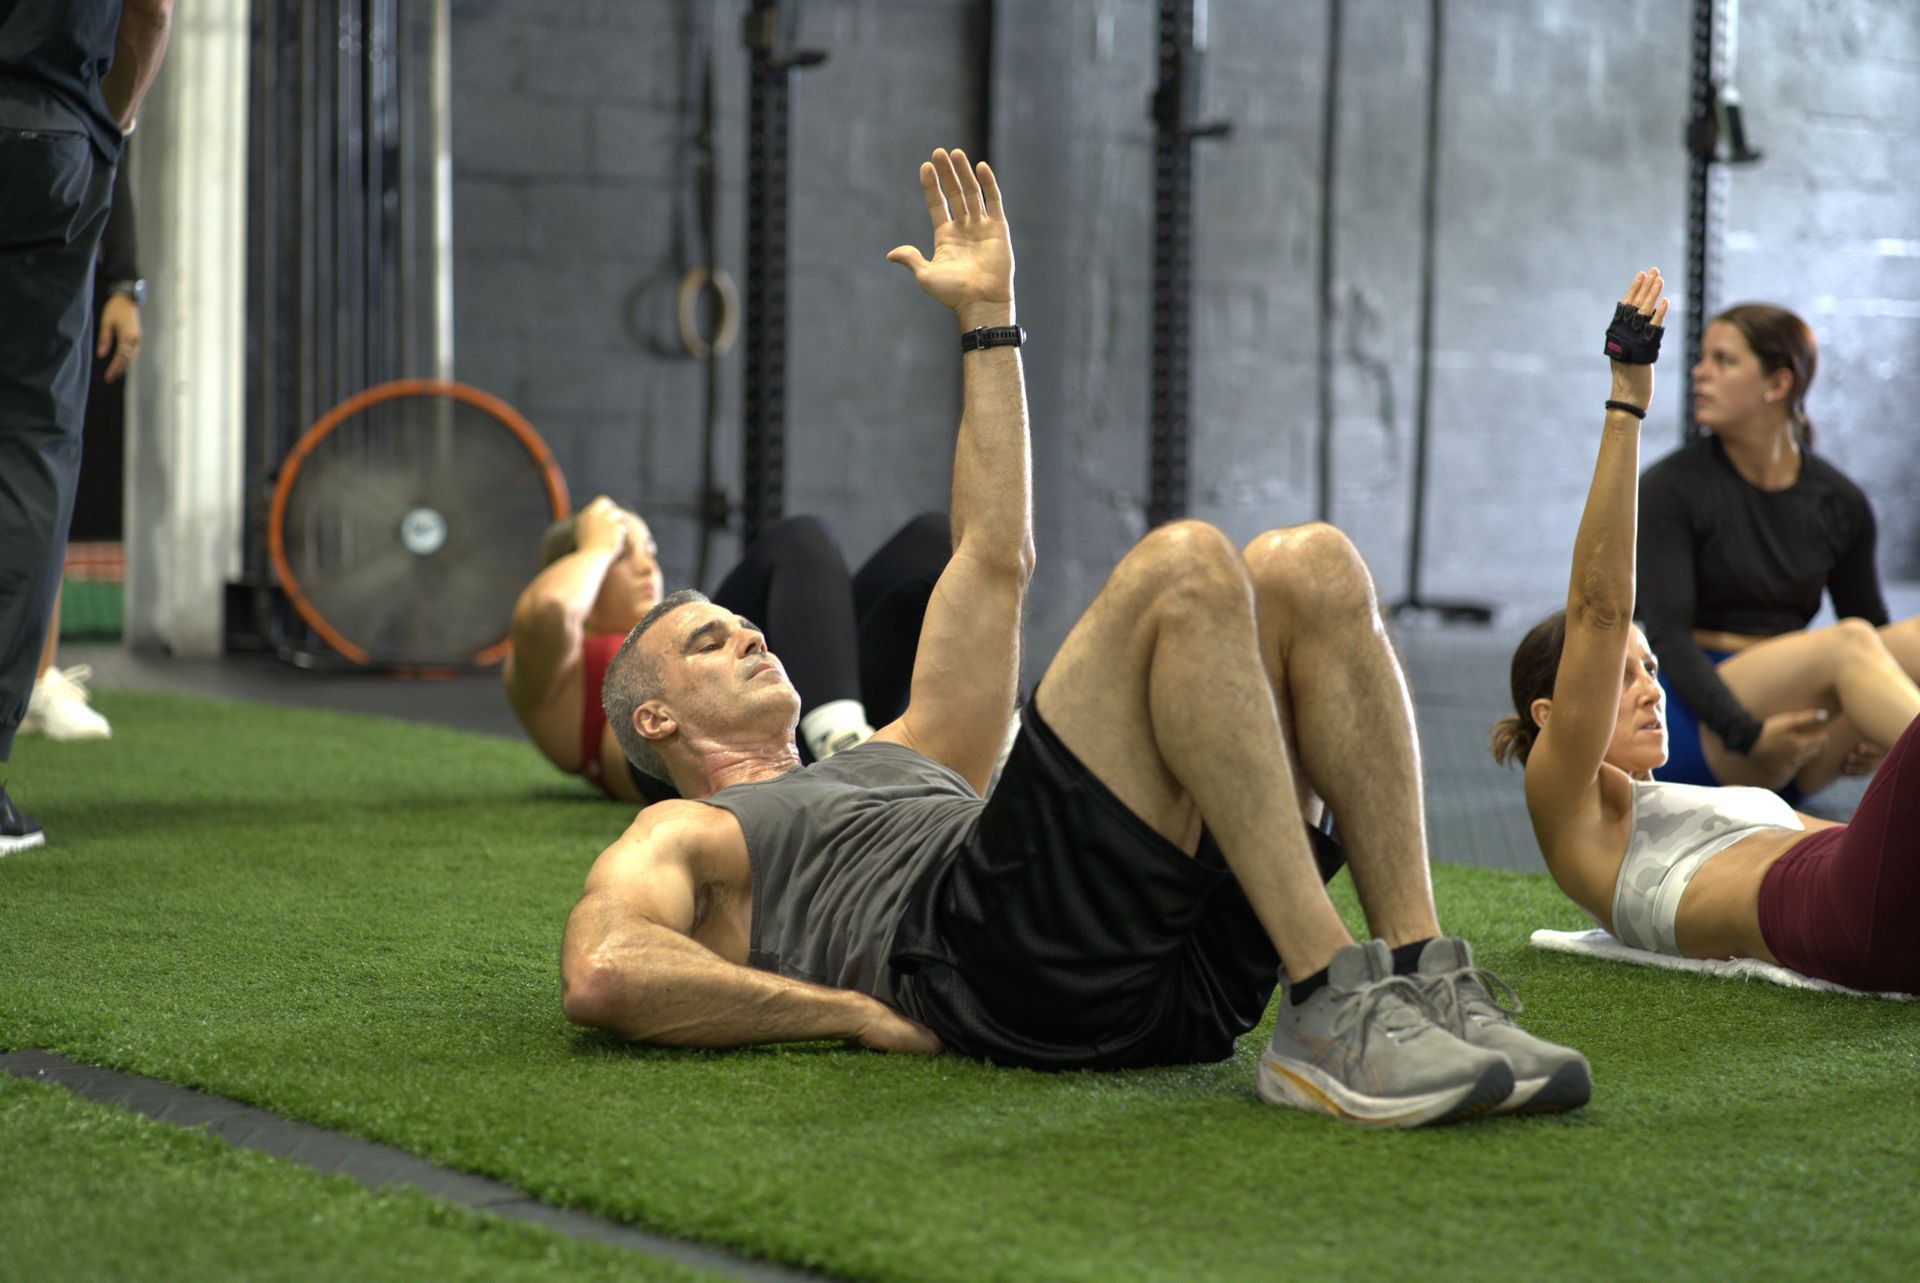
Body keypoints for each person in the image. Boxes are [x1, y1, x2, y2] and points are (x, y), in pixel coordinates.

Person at [560, 147, 1589, 1129]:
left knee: (1309, 563)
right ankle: (1327, 990)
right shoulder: (686, 834)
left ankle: (1420, 974)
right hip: (989, 965)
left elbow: (994, 559)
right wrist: (845, 1010)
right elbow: (605, 971)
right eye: (709, 641)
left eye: (745, 626)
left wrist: (988, 317)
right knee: (1182, 566)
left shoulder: (913, 746)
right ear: (656, 715)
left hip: (1160, 972)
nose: (752, 638)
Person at [1491, 268, 1920, 996]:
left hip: (1861, 892)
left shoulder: (1701, 802)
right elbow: (1600, 609)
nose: (1649, 687)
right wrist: (1626, 401)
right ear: (1552, 714)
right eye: (1623, 675)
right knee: (1852, 648)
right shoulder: (1575, 809)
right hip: (1831, 911)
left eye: (1648, 668)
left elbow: (1844, 841)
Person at [1, 0, 174, 854]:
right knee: (30, 447)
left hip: (53, 132)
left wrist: (126, 278)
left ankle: (37, 685)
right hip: (49, 135)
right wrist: (109, 131)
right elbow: (149, 13)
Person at [1638, 302, 1920, 798]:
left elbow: (1878, 633)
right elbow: (1666, 636)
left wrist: (1874, 729)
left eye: (1723, 361)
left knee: (1909, 639)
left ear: (1778, 384)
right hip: (1699, 720)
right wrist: (1748, 736)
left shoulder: (1839, 502)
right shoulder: (1670, 486)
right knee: (1847, 642)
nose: (1699, 374)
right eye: (1702, 359)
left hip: (1792, 735)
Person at [505, 499, 948, 803]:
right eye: (623, 555)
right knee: (799, 537)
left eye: (650, 550)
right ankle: (843, 746)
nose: (646, 566)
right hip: (706, 754)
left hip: (794, 727)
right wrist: (599, 541)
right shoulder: (554, 670)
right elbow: (550, 605)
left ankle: (859, 740)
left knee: (931, 539)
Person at [22, 159, 144, 744]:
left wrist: (123, 284)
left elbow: (111, 148)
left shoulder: (74, 81)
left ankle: (39, 679)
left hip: (47, 278)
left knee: (40, 474)